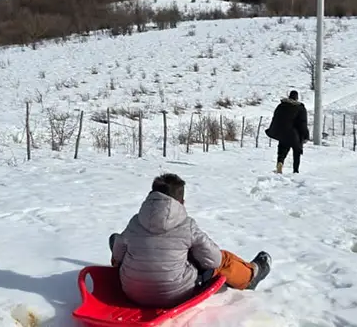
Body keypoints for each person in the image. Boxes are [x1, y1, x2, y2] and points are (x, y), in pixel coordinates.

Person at [109, 174, 272, 308]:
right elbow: (214, 260)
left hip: (132, 292)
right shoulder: (187, 225)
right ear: (181, 203)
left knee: (119, 240)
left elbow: (117, 258)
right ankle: (250, 276)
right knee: (223, 259)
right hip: (175, 295)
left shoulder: (135, 222)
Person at [265, 90, 310, 174]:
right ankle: (295, 170)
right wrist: (306, 135)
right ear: (297, 98)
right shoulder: (300, 108)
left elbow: (275, 118)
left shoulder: (281, 106)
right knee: (297, 151)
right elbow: (303, 123)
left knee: (282, 149)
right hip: (294, 134)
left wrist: (274, 130)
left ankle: (280, 163)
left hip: (282, 132)